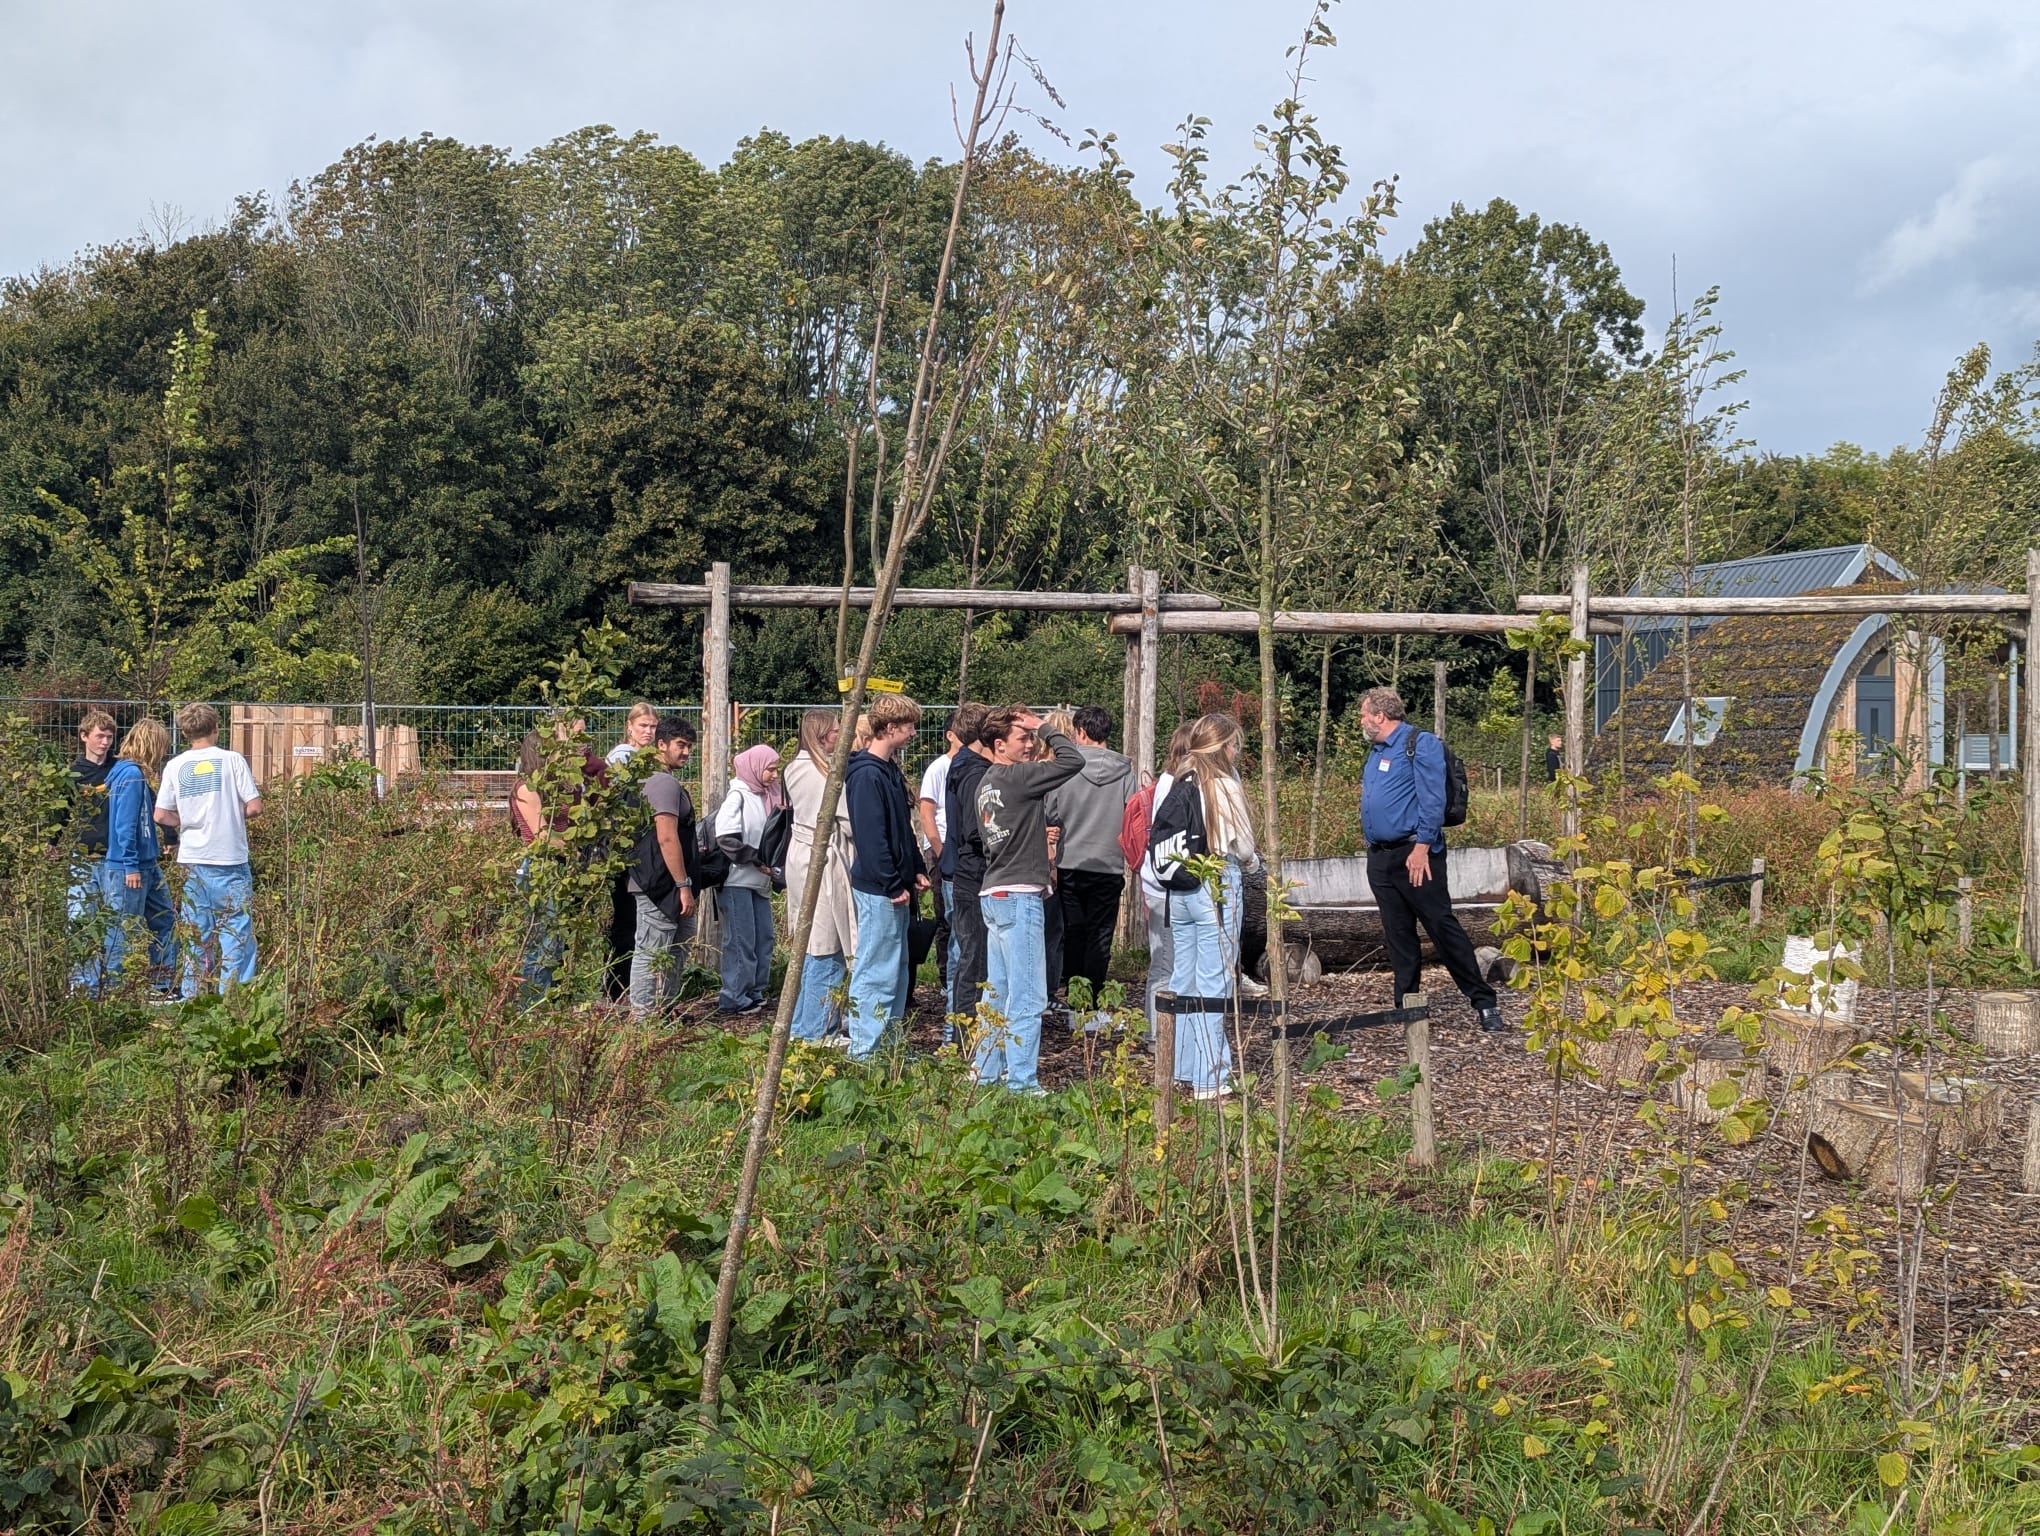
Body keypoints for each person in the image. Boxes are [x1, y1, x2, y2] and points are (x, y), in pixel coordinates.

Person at [1357, 686, 1503, 1030]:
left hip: (1416, 853)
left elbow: (1433, 800)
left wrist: (1422, 847)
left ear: (1380, 715)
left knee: (1440, 926)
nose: (1361, 721)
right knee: (1398, 933)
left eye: (1364, 714)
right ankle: (1406, 1006)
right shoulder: (1377, 751)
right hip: (1381, 857)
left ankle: (1484, 1002)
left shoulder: (1420, 744)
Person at [973, 708, 1083, 1094]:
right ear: (999, 744)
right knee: (1028, 993)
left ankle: (986, 1071)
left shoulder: (986, 782)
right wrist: (1046, 726)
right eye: (1022, 737)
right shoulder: (1019, 776)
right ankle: (1021, 1081)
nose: (1031, 743)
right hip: (1020, 895)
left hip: (995, 891)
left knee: (997, 990)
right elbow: (1073, 759)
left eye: (1031, 736)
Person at [1151, 713, 1259, 1099]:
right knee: (1214, 981)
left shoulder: (1178, 781)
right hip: (1215, 883)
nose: (1235, 752)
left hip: (1179, 888)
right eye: (1233, 745)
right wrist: (1252, 863)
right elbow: (1244, 847)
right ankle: (1210, 1076)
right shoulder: (1223, 786)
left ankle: (1179, 1064)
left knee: (1183, 977)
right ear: (1223, 747)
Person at [155, 703, 263, 998]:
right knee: (236, 933)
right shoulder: (232, 760)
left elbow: (161, 815)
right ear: (216, 728)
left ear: (186, 732)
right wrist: (228, 814)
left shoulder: (175, 766)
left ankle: (193, 998)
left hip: (192, 861)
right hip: (229, 858)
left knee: (196, 935)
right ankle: (235, 1000)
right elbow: (254, 806)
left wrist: (187, 821)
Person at [844, 694, 927, 1056]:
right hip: (879, 888)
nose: (912, 733)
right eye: (908, 727)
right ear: (889, 728)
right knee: (876, 967)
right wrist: (892, 882)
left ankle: (888, 1045)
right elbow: (871, 836)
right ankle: (864, 1048)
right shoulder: (865, 775)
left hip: (895, 884)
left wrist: (916, 869)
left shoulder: (890, 770)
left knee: (897, 968)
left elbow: (902, 830)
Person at [509, 719, 610, 1001]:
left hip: (562, 867)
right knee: (545, 941)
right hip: (541, 869)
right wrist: (574, 842)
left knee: (560, 941)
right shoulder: (527, 788)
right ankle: (530, 1004)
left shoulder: (556, 787)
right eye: (554, 749)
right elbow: (542, 837)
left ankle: (553, 1001)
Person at [1047, 704, 1135, 1011]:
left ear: (1080, 732)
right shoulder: (1125, 769)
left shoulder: (1067, 768)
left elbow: (1051, 812)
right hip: (1109, 863)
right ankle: (1095, 999)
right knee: (1100, 934)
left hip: (1071, 859)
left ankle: (1073, 996)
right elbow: (1131, 815)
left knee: (1074, 932)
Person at [784, 708, 858, 1042]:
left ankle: (803, 1023)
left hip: (800, 856)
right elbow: (847, 822)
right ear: (821, 733)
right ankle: (817, 1029)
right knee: (826, 946)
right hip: (822, 858)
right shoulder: (823, 773)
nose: (839, 737)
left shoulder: (794, 768)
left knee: (810, 940)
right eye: (834, 731)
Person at [1126, 720, 1196, 1033]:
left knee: (1169, 962)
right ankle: (1158, 1033)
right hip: (1165, 886)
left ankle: (1165, 1031)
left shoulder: (1170, 782)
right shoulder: (1174, 785)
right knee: (1166, 963)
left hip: (1160, 883)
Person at [627, 716, 699, 1015]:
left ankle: (665, 1010)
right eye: (680, 745)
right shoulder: (662, 782)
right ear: (661, 744)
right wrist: (683, 885)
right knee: (651, 950)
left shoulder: (654, 778)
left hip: (661, 880)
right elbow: (667, 837)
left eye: (689, 747)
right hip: (659, 882)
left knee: (677, 944)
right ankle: (643, 1018)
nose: (686, 753)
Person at [101, 717, 175, 995]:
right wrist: (130, 864)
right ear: (152, 746)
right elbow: (125, 824)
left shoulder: (130, 773)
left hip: (147, 863)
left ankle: (161, 983)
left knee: (165, 919)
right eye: (161, 748)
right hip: (129, 867)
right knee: (122, 928)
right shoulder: (131, 775)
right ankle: (115, 990)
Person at [713, 744, 786, 1015]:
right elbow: (726, 838)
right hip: (738, 880)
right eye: (770, 768)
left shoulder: (767, 796)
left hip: (760, 881)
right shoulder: (738, 796)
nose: (774, 774)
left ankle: (755, 990)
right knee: (741, 939)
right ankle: (734, 996)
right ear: (755, 768)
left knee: (764, 937)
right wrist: (757, 859)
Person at [603, 702, 662, 1000]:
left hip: (638, 848)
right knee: (627, 921)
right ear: (630, 726)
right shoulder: (622, 758)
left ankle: (630, 985)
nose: (649, 732)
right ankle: (617, 986)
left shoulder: (647, 759)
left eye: (652, 727)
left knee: (636, 920)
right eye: (643, 726)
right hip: (624, 851)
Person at [940, 703, 992, 1030]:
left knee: (971, 956)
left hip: (966, 871)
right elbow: (976, 830)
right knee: (974, 959)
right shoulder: (974, 772)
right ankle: (965, 1037)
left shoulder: (962, 765)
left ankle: (964, 1032)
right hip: (973, 874)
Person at [66, 708, 118, 993]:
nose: (105, 742)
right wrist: (52, 844)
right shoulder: (73, 773)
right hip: (82, 858)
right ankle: (82, 986)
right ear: (84, 736)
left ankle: (112, 985)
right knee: (79, 920)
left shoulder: (118, 770)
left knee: (114, 922)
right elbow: (60, 812)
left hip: (114, 857)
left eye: (110, 736)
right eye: (100, 736)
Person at [917, 717, 960, 1002]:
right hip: (942, 848)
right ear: (949, 735)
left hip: (959, 850)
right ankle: (946, 978)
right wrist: (939, 848)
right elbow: (927, 812)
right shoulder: (939, 768)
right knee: (946, 915)